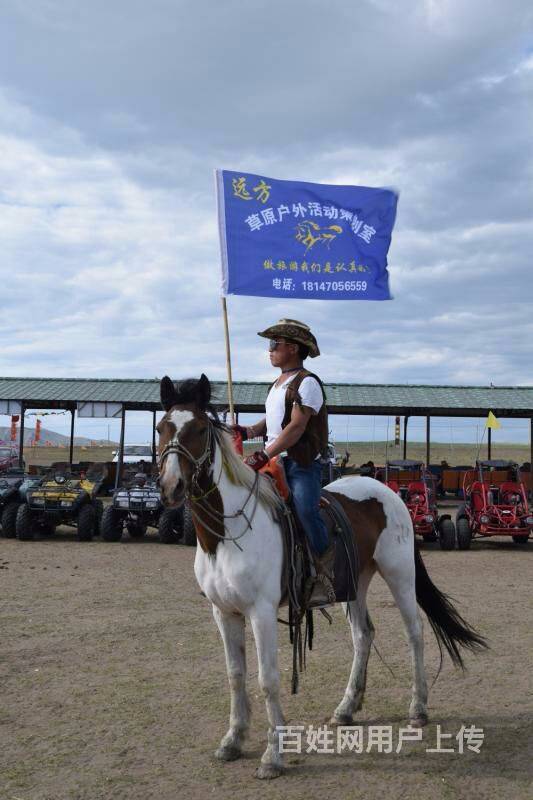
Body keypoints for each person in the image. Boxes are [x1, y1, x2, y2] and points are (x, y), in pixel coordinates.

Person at [233, 318, 335, 605]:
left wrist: (264, 453)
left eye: (274, 344)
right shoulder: (277, 384)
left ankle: (322, 570)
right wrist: (250, 431)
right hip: (273, 463)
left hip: (300, 465)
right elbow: (276, 421)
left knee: (305, 510)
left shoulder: (309, 382)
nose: (270, 350)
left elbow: (296, 427)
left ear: (292, 348)